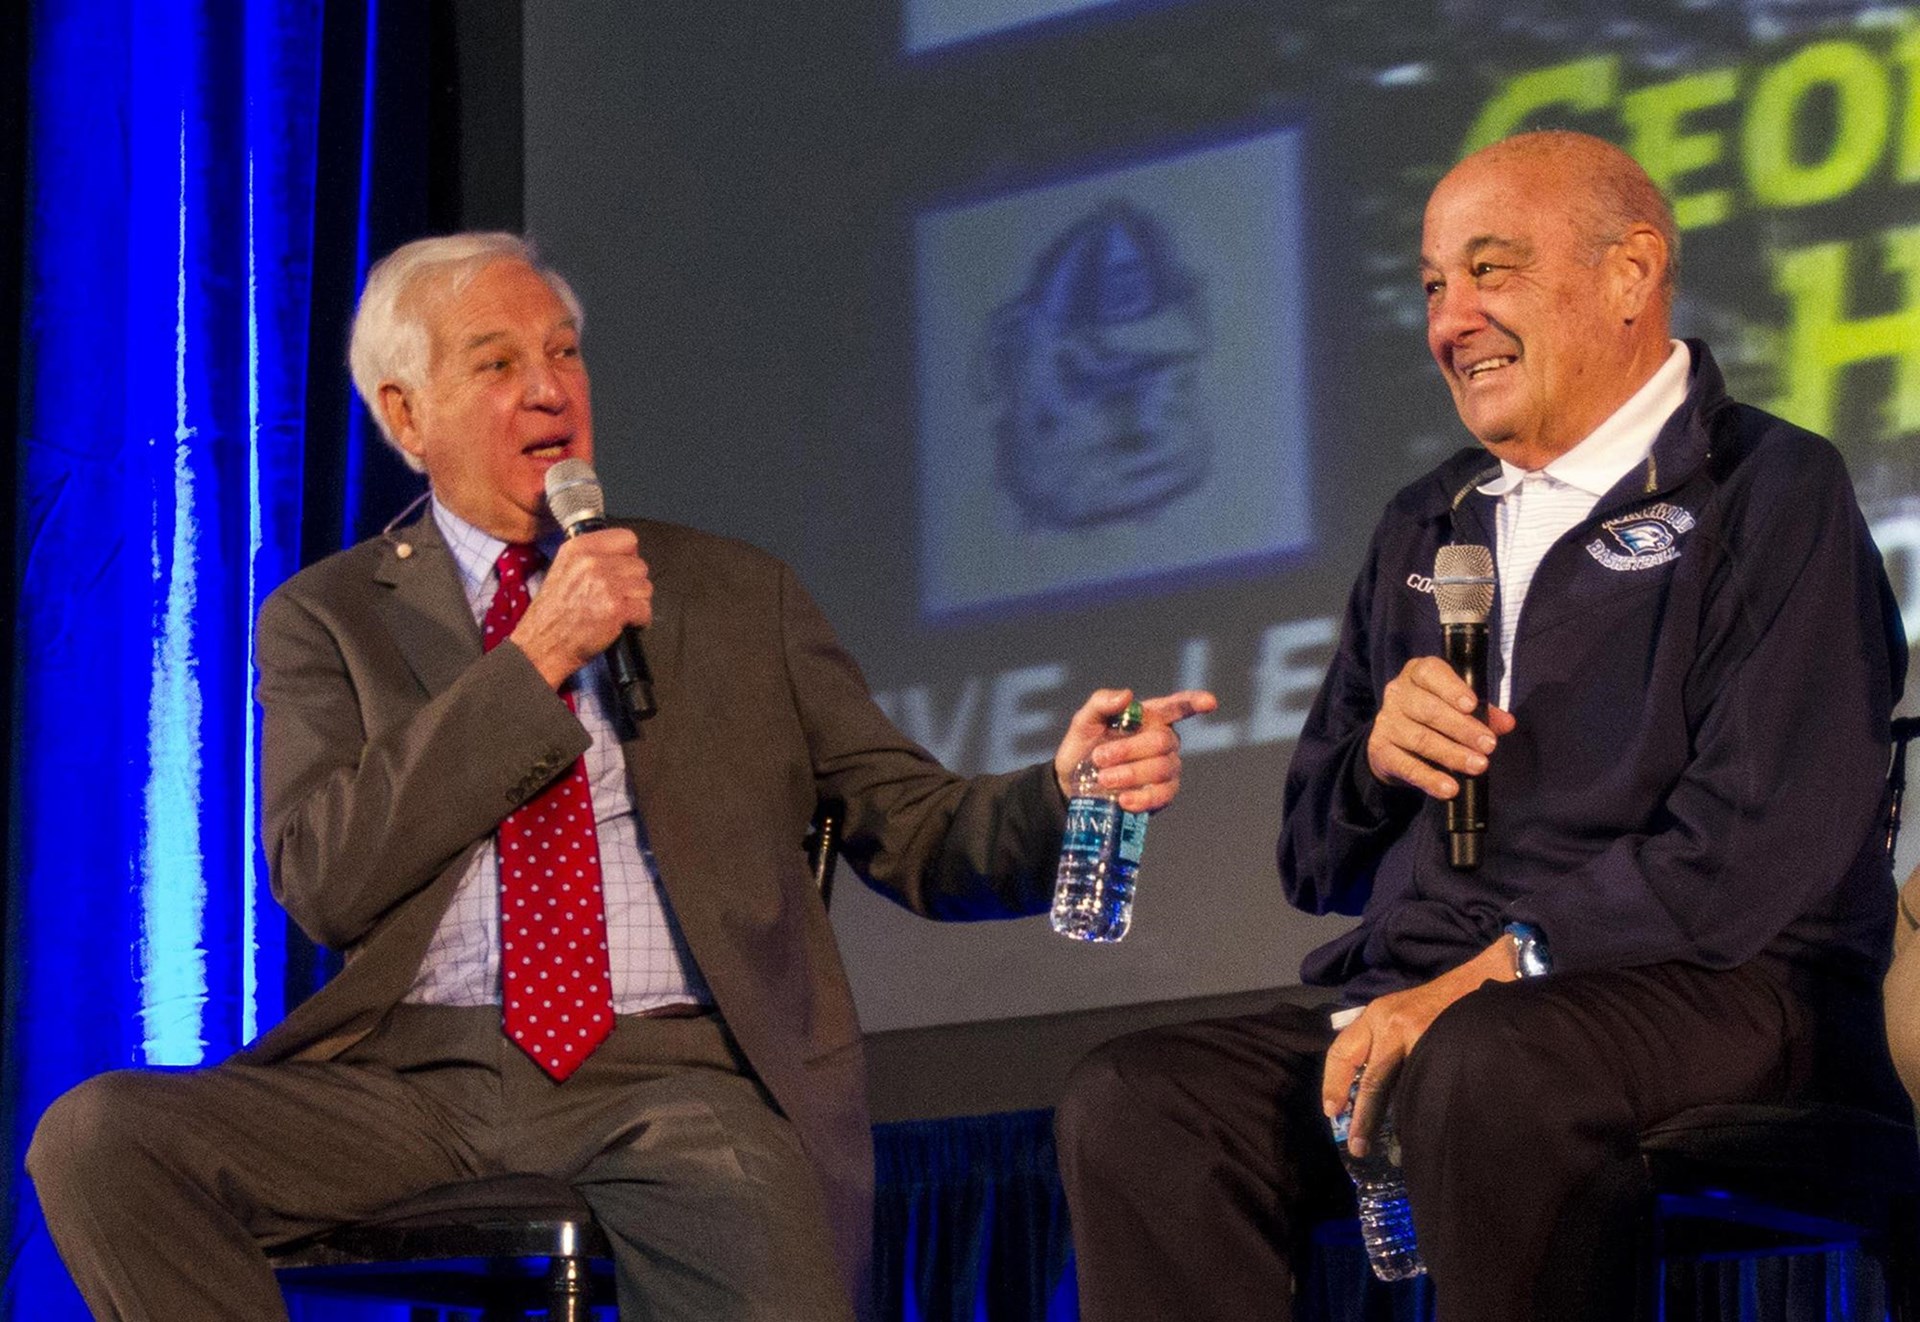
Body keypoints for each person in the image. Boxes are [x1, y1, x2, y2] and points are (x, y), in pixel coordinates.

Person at [27, 231, 1218, 1322]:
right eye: (498, 363)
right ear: (406, 414)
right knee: (100, 1137)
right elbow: (324, 878)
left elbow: (920, 832)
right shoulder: (330, 616)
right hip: (413, 1076)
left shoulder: (733, 594)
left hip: (673, 1079)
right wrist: (535, 659)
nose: (550, 389)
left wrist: (1065, 794)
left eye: (563, 352)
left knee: (764, 1245)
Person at [1055, 130, 1909, 1322]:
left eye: (1490, 270)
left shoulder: (1769, 487)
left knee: (1488, 1060)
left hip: (1724, 989)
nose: (1451, 320)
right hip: (1443, 997)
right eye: (1431, 286)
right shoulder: (1429, 520)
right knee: (1143, 1099)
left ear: (1629, 273)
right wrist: (1375, 761)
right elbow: (1313, 859)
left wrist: (1500, 968)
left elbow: (1757, 848)